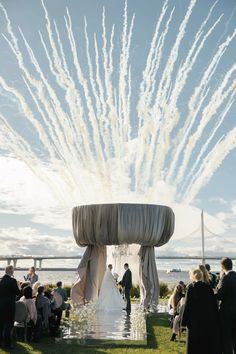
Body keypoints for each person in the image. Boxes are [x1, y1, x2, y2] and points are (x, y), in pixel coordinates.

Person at [182, 268, 220, 354]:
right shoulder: (207, 287)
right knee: (204, 344)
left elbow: (187, 305)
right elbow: (213, 304)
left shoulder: (191, 287)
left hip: (193, 321)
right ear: (202, 276)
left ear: (192, 276)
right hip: (206, 320)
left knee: (193, 345)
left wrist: (184, 322)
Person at [216, 257, 236, 354]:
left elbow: (220, 296)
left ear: (222, 266)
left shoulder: (226, 278)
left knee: (226, 337)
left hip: (227, 313)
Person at [0, 265, 20, 349]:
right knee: (9, 325)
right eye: (13, 270)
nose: (13, 272)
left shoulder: (0, 280)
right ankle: (7, 343)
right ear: (11, 271)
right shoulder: (12, 280)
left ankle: (0, 342)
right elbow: (17, 292)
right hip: (9, 306)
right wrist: (18, 285)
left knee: (0, 324)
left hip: (1, 305)